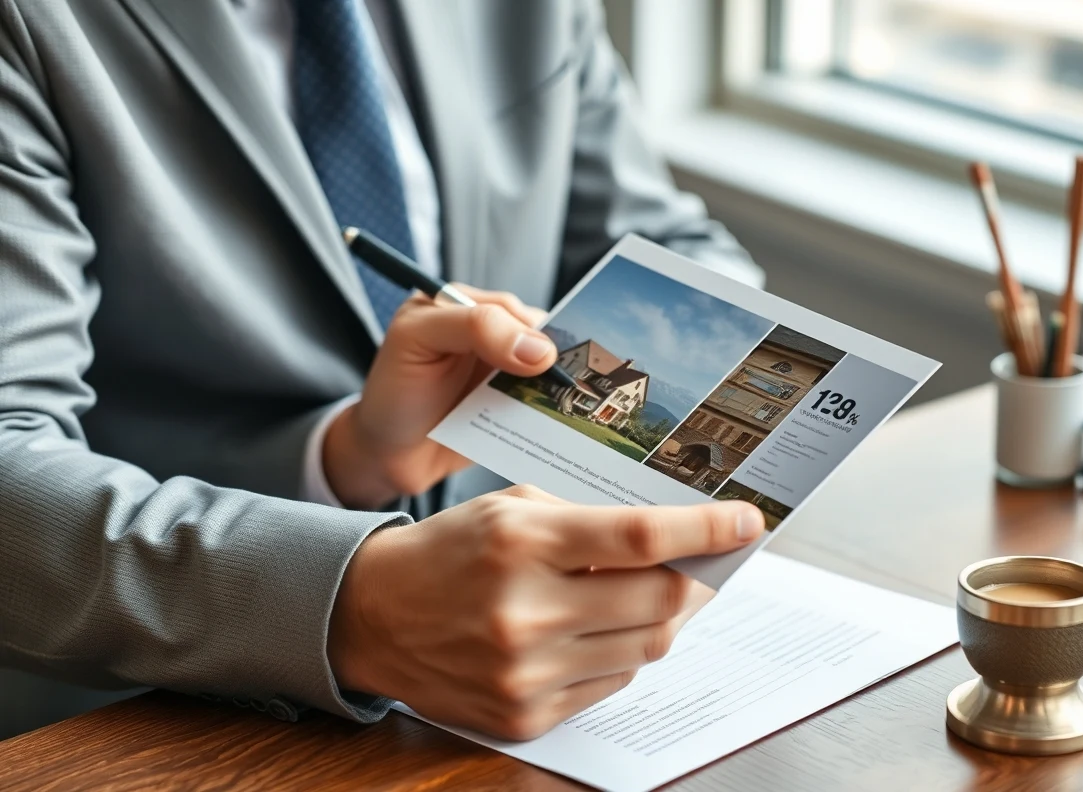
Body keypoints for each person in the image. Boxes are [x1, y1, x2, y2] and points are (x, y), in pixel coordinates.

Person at [0, 0, 765, 739]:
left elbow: (663, 245)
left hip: (572, 640)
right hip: (129, 714)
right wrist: (352, 605)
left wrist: (353, 459)